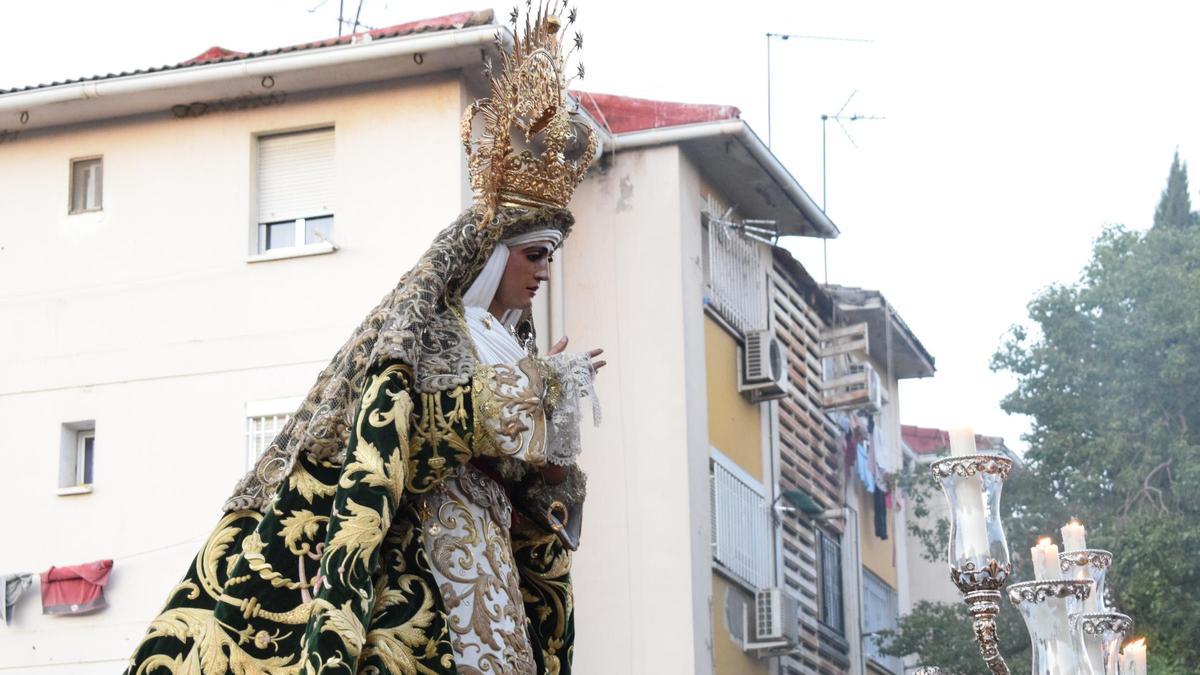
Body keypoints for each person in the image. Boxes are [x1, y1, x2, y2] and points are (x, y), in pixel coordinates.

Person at [125, 5, 600, 674]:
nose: (544, 270)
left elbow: (533, 498)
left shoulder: (513, 350)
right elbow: (413, 436)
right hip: (426, 562)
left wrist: (552, 441)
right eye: (534, 252)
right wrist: (530, 390)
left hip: (494, 574)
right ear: (493, 254)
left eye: (552, 254)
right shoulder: (435, 330)